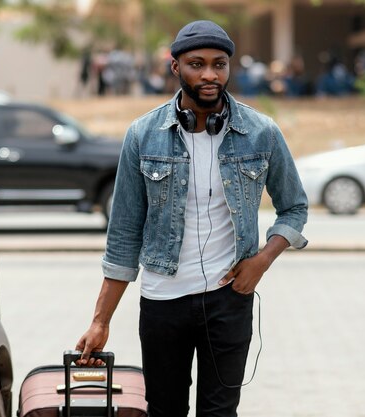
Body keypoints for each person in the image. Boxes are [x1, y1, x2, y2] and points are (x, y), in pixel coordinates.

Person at [76, 20, 308, 417]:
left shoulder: (261, 132)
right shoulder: (143, 135)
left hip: (229, 299)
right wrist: (100, 321)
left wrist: (262, 261)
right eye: (196, 64)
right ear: (175, 68)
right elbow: (124, 234)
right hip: (163, 300)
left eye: (219, 65)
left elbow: (295, 207)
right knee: (164, 410)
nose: (209, 75)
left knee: (220, 412)